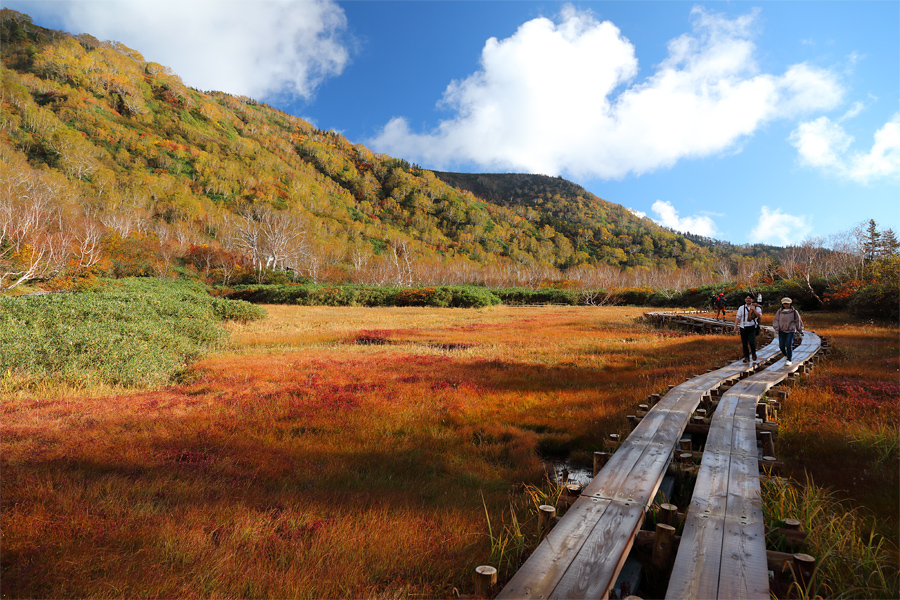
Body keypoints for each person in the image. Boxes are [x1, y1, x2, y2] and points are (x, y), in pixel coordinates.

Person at [772, 297, 804, 366]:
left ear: (790, 304)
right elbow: (776, 320)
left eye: (787, 304)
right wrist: (776, 328)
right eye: (784, 304)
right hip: (782, 330)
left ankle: (789, 359)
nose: (786, 305)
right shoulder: (780, 311)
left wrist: (800, 330)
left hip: (791, 330)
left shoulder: (794, 312)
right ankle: (786, 355)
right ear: (782, 304)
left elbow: (798, 321)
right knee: (781, 346)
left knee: (789, 345)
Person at [735, 294, 762, 363]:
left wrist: (754, 310)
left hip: (752, 327)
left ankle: (753, 353)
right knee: (744, 343)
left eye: (749, 298)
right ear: (745, 299)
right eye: (746, 298)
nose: (748, 299)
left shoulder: (756, 307)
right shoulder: (741, 308)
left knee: (752, 342)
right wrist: (735, 326)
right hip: (743, 327)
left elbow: (759, 315)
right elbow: (738, 317)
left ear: (752, 300)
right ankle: (746, 357)